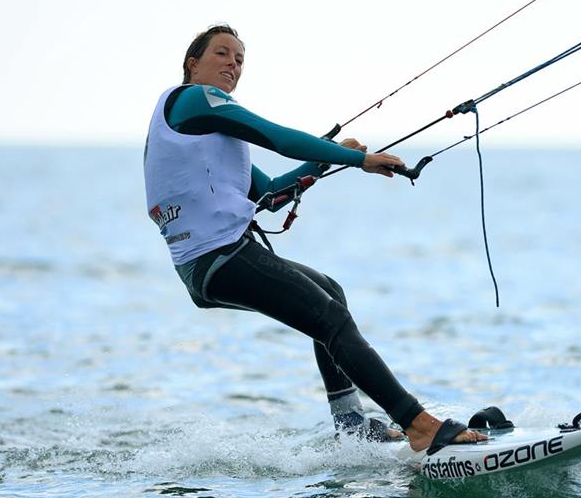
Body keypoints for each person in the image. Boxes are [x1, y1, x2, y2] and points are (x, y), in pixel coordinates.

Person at [143, 24, 486, 453]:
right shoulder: (195, 99)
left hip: (208, 266)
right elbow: (279, 138)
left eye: (240, 59)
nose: (233, 63)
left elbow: (269, 195)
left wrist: (323, 161)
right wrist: (357, 158)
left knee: (330, 293)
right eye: (222, 54)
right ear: (193, 64)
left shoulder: (206, 137)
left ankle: (351, 426)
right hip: (219, 257)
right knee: (330, 321)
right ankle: (419, 424)